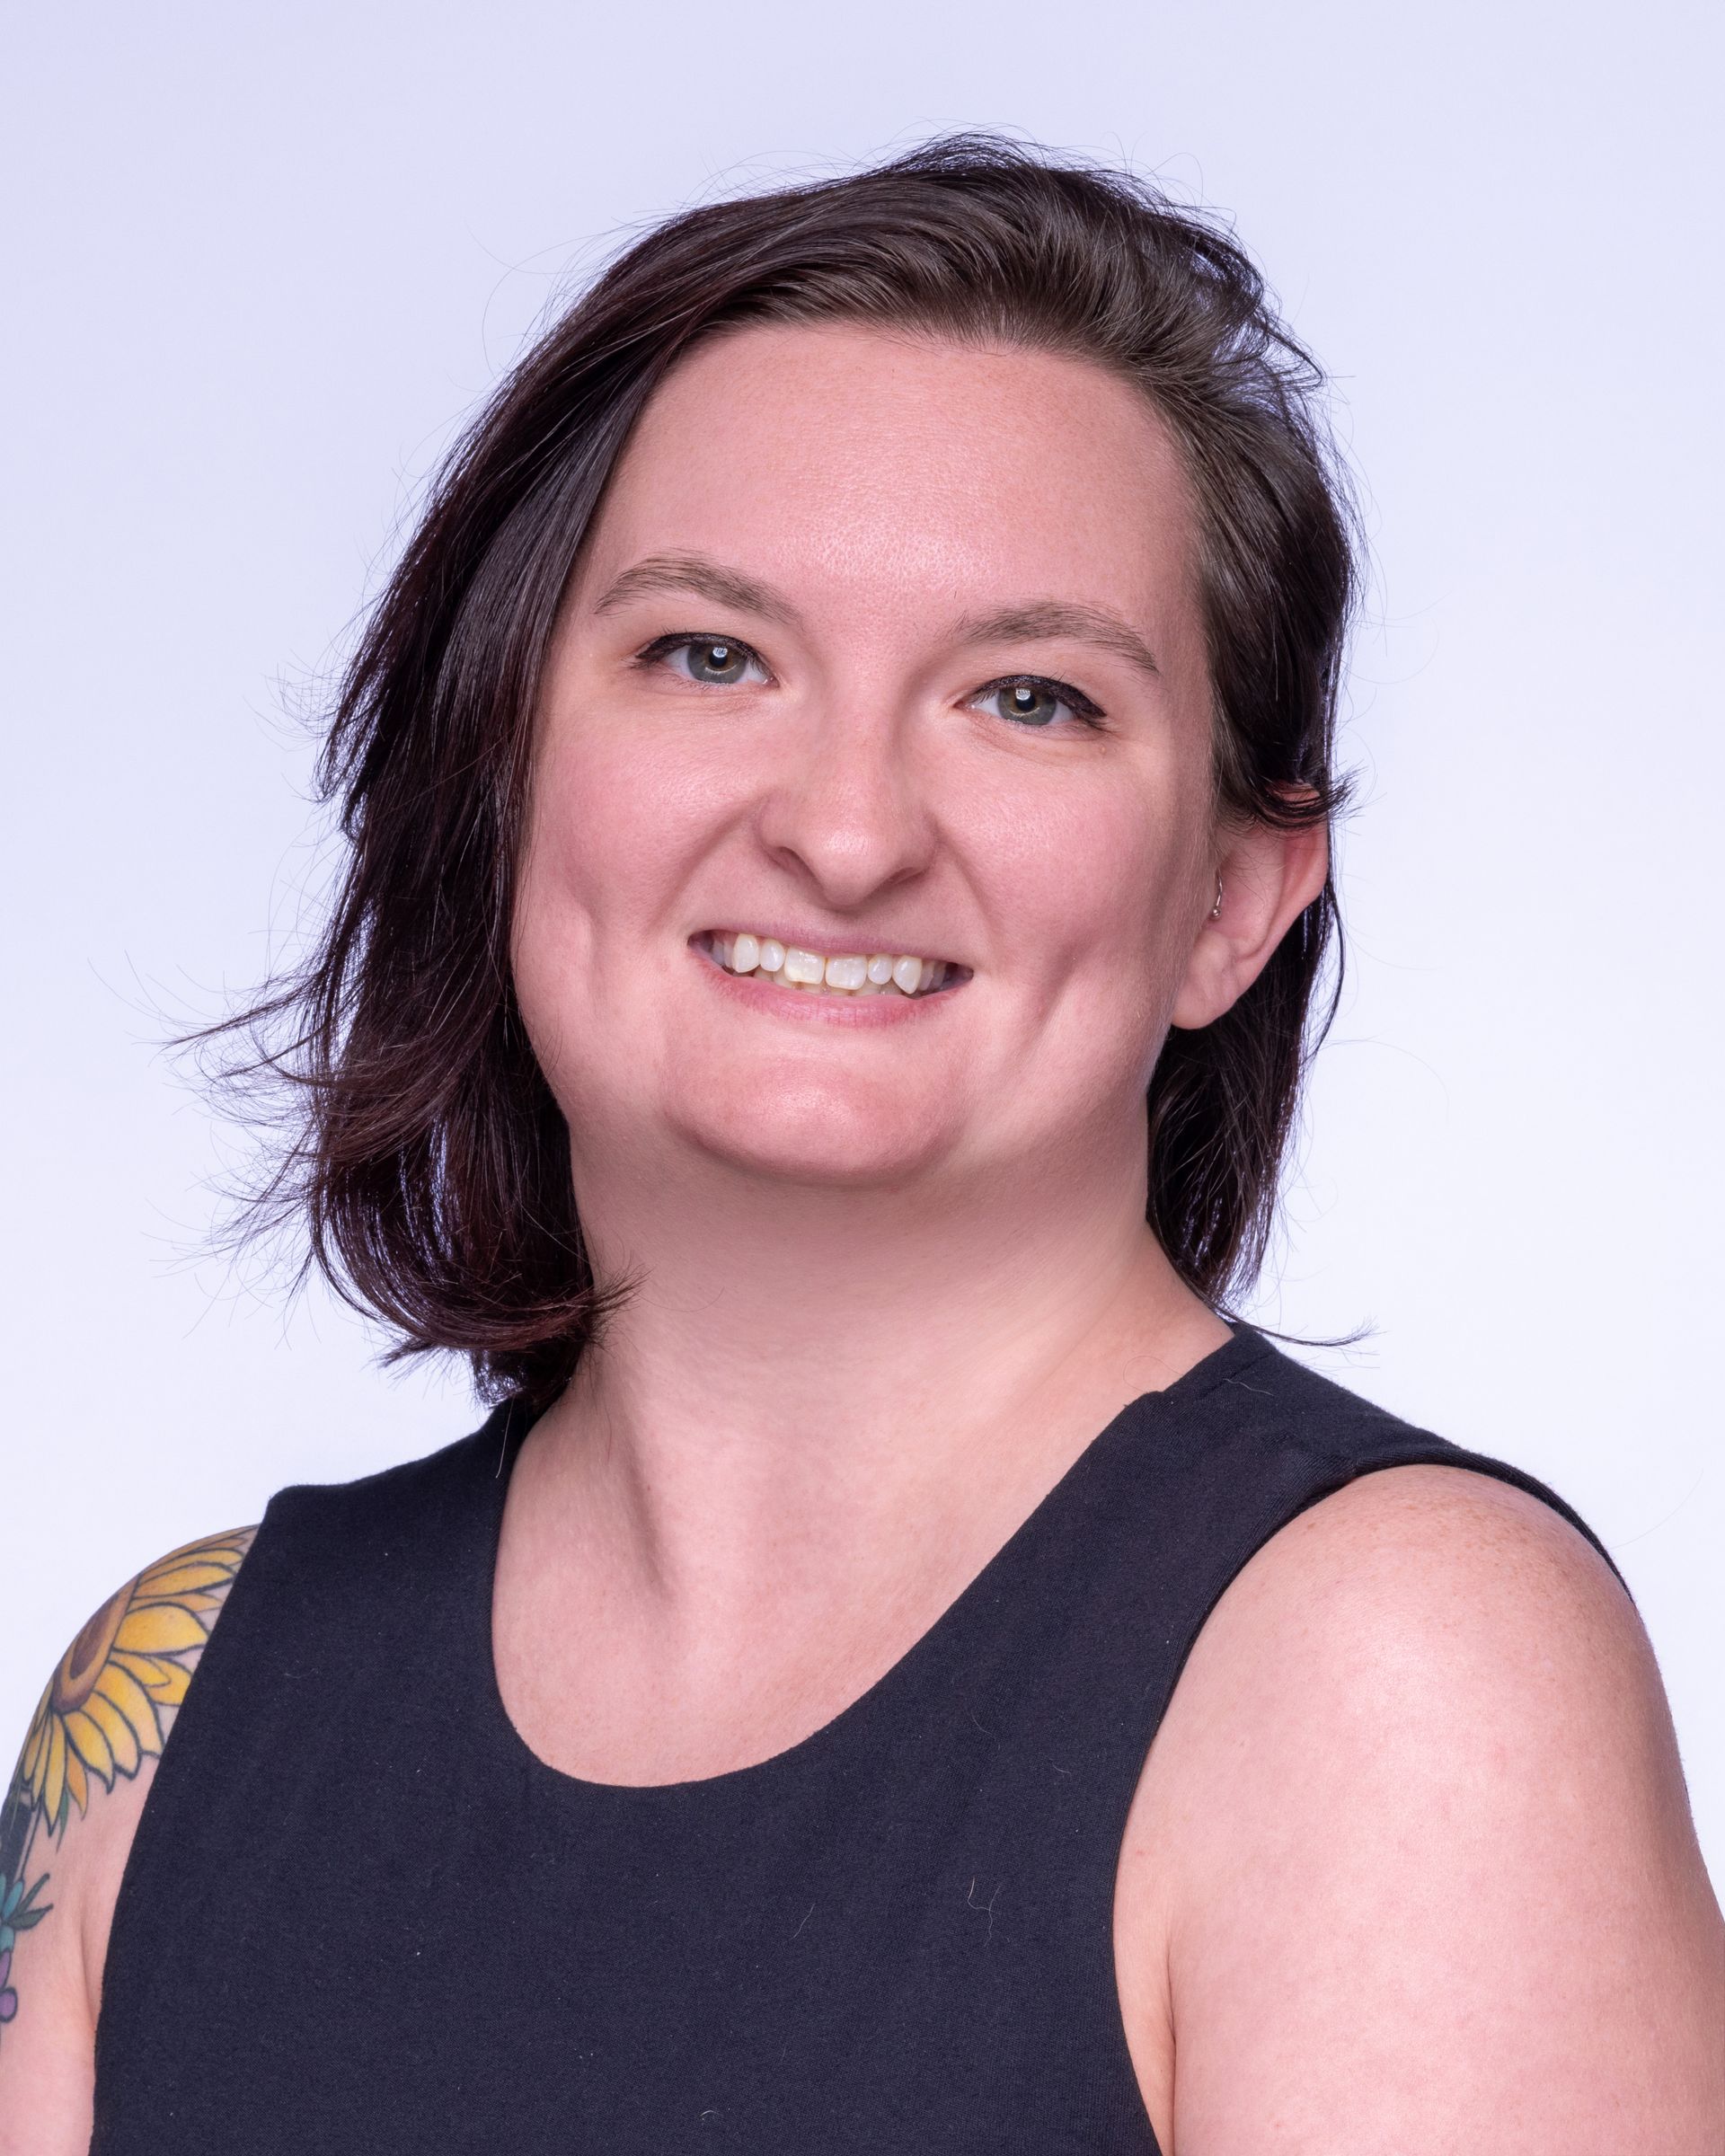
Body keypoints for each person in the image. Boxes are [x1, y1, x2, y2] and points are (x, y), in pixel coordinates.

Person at [2, 136, 1719, 2155]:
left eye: (1030, 698)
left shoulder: (1394, 1673)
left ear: (1235, 901)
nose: (843, 829)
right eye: (709, 656)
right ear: (502, 771)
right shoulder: (172, 1710)